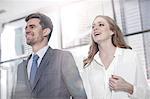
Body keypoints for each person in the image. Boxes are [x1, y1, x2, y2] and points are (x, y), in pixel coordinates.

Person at [11, 12, 87, 99]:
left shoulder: (62, 58)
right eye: (26, 28)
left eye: (32, 27)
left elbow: (79, 95)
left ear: (45, 31)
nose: (27, 31)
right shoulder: (21, 67)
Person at [80, 15, 149, 99]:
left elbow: (146, 95)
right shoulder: (88, 65)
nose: (95, 28)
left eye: (101, 25)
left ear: (112, 31)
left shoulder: (131, 57)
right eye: (93, 26)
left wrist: (128, 88)